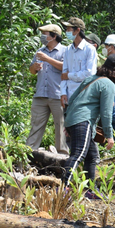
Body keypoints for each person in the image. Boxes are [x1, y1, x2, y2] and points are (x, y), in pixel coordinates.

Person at [61, 54, 115, 191]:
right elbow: (106, 113)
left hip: (74, 119)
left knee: (92, 156)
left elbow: (71, 100)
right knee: (78, 154)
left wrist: (67, 121)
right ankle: (62, 188)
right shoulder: (108, 84)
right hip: (83, 121)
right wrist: (109, 135)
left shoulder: (91, 79)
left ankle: (91, 190)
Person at [25, 24, 68, 154]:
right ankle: (29, 153)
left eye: (45, 34)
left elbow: (67, 68)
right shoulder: (40, 51)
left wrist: (47, 59)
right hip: (40, 95)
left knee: (61, 127)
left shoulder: (65, 51)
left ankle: (63, 157)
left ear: (54, 36)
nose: (42, 36)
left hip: (58, 95)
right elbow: (32, 70)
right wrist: (35, 67)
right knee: (36, 125)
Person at [60, 17, 97, 108]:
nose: (67, 31)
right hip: (68, 96)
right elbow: (64, 73)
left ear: (77, 31)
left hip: (83, 95)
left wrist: (69, 75)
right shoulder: (68, 49)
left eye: (69, 29)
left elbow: (89, 74)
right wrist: (63, 93)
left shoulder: (89, 49)